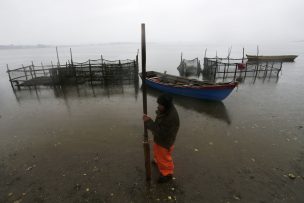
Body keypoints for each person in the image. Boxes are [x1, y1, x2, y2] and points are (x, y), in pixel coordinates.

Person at [143, 94, 180, 183]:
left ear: (166, 106)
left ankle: (167, 174)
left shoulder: (171, 118)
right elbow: (160, 117)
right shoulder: (166, 110)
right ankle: (158, 160)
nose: (158, 106)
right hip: (160, 139)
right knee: (157, 151)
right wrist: (158, 111)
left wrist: (148, 122)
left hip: (164, 141)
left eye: (160, 105)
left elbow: (160, 131)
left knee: (164, 158)